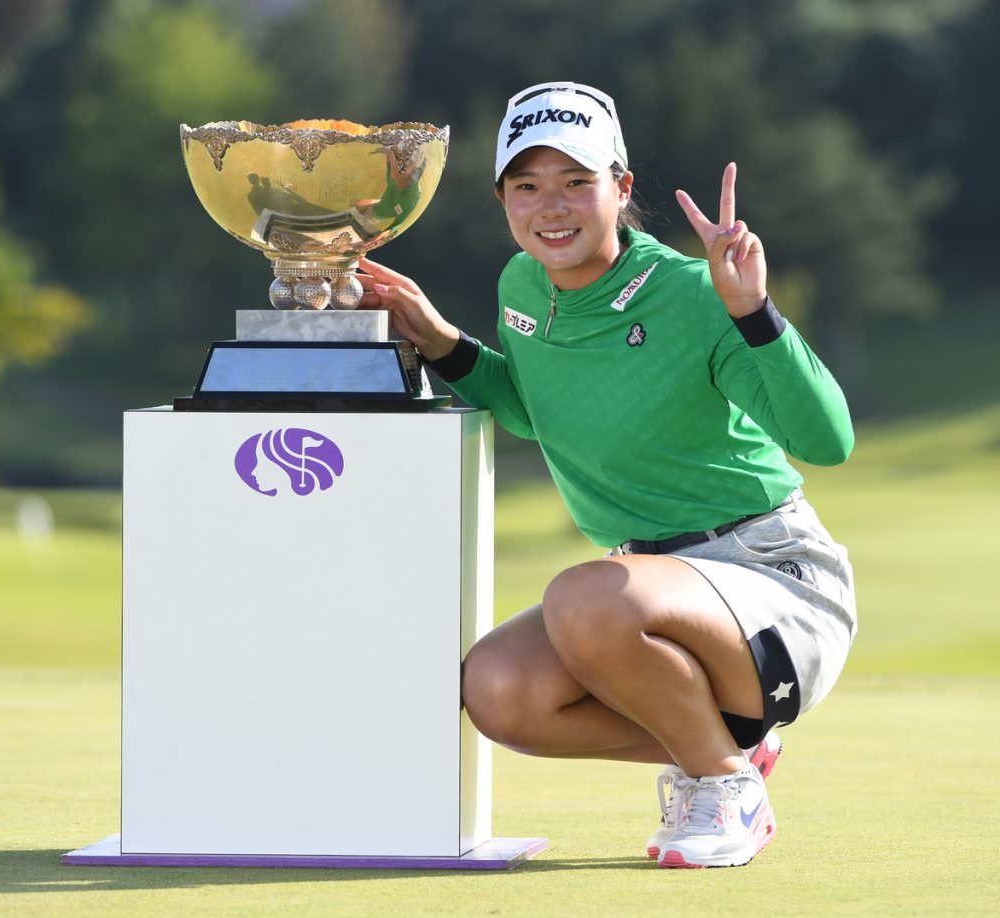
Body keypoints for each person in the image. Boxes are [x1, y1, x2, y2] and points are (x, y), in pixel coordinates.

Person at [358, 81, 856, 869]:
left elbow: (827, 442)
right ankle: (725, 746)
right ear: (503, 200)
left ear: (621, 189)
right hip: (649, 596)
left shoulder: (695, 293)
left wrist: (753, 312)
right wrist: (442, 341)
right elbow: (534, 410)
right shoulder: (522, 286)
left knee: (582, 596)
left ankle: (722, 783)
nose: (551, 207)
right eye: (528, 186)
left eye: (576, 181)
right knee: (498, 690)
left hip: (771, 577)